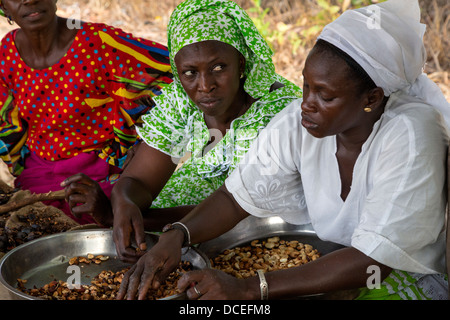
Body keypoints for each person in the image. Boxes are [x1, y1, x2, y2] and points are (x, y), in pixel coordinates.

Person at [116, 0, 450, 300]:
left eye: (325, 95)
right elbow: (236, 197)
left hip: (403, 278)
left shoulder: (409, 135)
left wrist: (249, 287)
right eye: (305, 86)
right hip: (333, 263)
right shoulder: (299, 123)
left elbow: (372, 260)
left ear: (372, 98)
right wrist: (179, 235)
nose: (306, 104)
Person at [109, 0, 302, 262]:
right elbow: (140, 181)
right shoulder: (182, 102)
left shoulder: (278, 114)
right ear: (178, 75)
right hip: (187, 222)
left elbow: (246, 210)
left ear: (242, 64)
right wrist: (125, 202)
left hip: (264, 233)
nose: (205, 86)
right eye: (190, 73)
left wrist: (143, 219)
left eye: (219, 68)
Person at [0, 0, 172, 225]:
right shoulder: (6, 53)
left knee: (113, 228)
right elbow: (8, 125)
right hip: (39, 177)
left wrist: (144, 140)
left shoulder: (98, 42)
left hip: (101, 175)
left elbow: (175, 75)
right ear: (4, 6)